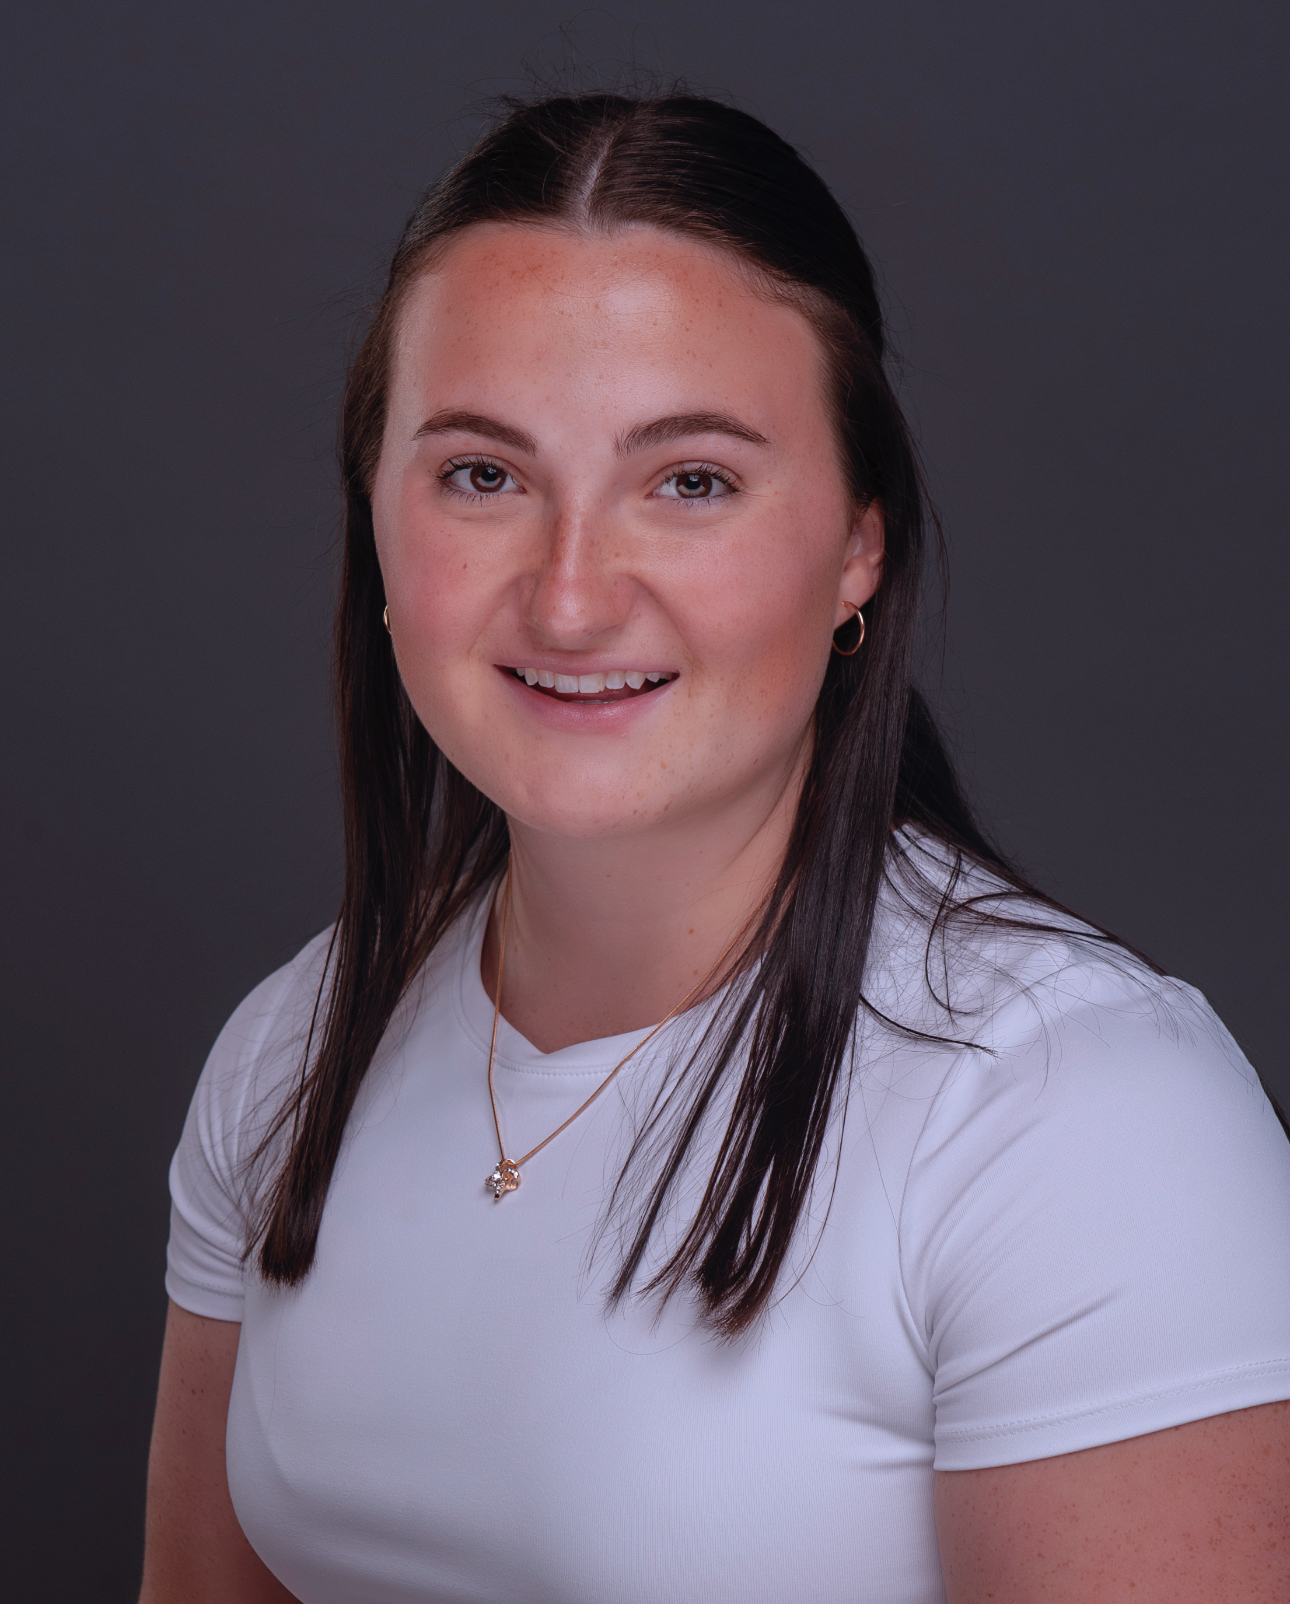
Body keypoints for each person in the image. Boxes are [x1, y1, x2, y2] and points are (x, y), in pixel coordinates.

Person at [138, 94, 1290, 1604]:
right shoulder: (291, 1054)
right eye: (482, 474)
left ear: (857, 547)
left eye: (689, 481)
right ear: (376, 523)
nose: (568, 600)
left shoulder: (1072, 1113)